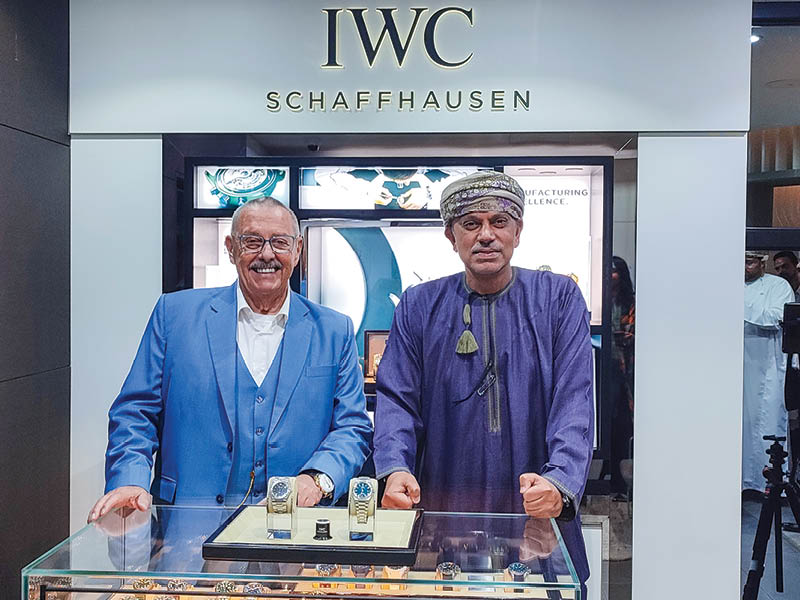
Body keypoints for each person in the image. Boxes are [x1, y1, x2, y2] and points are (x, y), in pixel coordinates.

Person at [88, 197, 372, 521]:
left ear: (297, 250)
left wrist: (317, 479)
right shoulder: (174, 316)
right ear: (231, 248)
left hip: (294, 527)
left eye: (280, 242)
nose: (267, 254)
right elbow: (135, 412)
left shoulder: (334, 330)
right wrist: (130, 478)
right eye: (252, 241)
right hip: (187, 526)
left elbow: (352, 427)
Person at [372, 171, 594, 585]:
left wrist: (559, 482)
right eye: (471, 224)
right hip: (443, 511)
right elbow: (396, 400)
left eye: (499, 222)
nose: (486, 235)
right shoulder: (419, 305)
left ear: (518, 231)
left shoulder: (559, 299)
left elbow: (574, 402)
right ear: (451, 236)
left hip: (534, 515)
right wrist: (395, 468)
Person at [743, 250, 795, 495]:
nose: (745, 267)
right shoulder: (726, 285)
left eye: (749, 262)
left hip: (767, 365)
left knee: (767, 421)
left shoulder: (778, 286)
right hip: (737, 365)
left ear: (762, 263)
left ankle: (768, 484)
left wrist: (741, 308)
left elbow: (778, 316)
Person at [608, 256, 635, 500]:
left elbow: (632, 335)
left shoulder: (631, 303)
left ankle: (618, 481)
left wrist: (620, 335)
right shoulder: (601, 301)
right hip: (605, 369)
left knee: (622, 426)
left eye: (615, 271)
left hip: (626, 371)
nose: (610, 275)